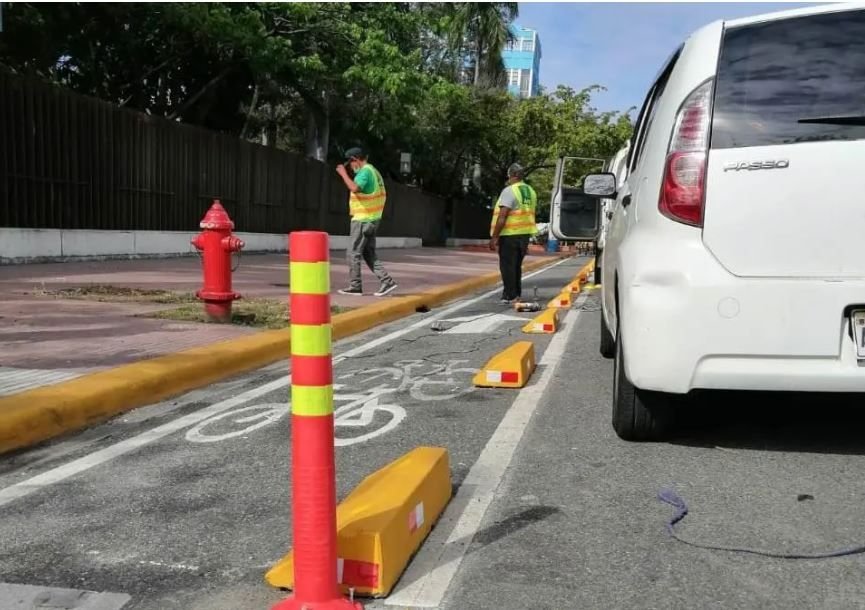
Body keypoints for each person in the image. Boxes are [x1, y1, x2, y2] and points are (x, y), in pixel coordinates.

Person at [335, 147, 398, 297]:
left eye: (350, 163)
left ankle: (355, 286)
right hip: (372, 219)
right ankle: (387, 281)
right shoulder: (374, 171)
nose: (351, 167)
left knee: (352, 253)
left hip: (363, 220)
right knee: (368, 253)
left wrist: (343, 174)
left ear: (355, 159)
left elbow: (355, 188)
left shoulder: (364, 172)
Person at [489, 163, 537, 304]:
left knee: (507, 266)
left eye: (509, 175)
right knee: (516, 266)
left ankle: (511, 295)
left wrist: (495, 237)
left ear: (513, 175)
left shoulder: (510, 190)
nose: (508, 178)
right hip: (524, 234)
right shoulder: (531, 191)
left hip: (510, 234)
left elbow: (502, 216)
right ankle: (514, 293)